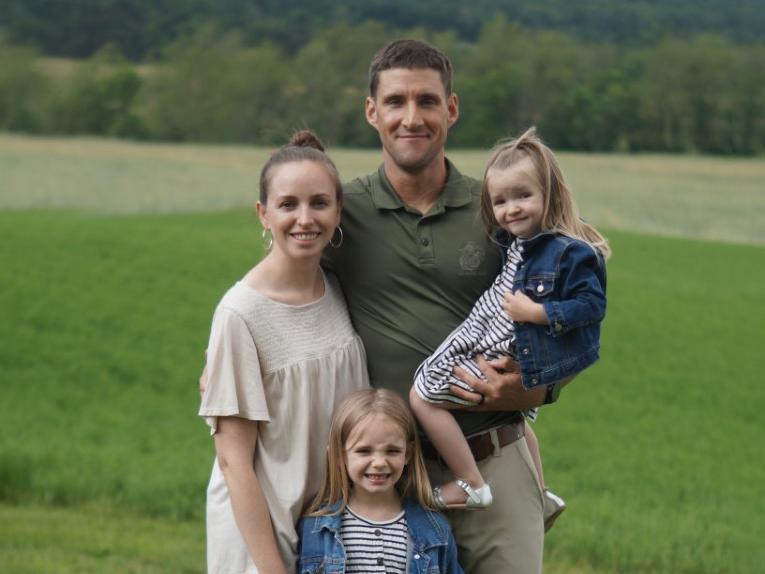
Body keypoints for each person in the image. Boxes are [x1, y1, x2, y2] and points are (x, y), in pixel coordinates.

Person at [320, 39, 553, 573]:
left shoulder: (496, 208)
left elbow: (562, 316)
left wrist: (536, 385)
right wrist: (232, 348)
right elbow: (284, 283)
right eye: (396, 101)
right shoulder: (342, 211)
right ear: (371, 112)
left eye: (427, 101)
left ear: (451, 108)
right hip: (387, 477)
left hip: (495, 458)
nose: (411, 117)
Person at [409, 128, 609, 518]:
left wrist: (537, 314)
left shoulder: (568, 252)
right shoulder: (519, 242)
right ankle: (542, 492)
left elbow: (591, 306)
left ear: (549, 193)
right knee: (517, 420)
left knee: (422, 394)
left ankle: (472, 484)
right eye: (500, 201)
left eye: (523, 196)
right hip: (497, 337)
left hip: (506, 345)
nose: (511, 209)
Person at [198, 131, 369, 573]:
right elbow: (233, 461)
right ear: (264, 213)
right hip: (262, 535)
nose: (305, 218)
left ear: (339, 211)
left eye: (319, 203)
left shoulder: (337, 289)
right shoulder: (240, 314)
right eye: (288, 204)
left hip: (328, 531)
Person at [298, 388, 464, 574]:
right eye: (364, 451)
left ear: (407, 454)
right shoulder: (316, 527)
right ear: (340, 456)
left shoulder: (435, 528)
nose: (379, 463)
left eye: (392, 451)